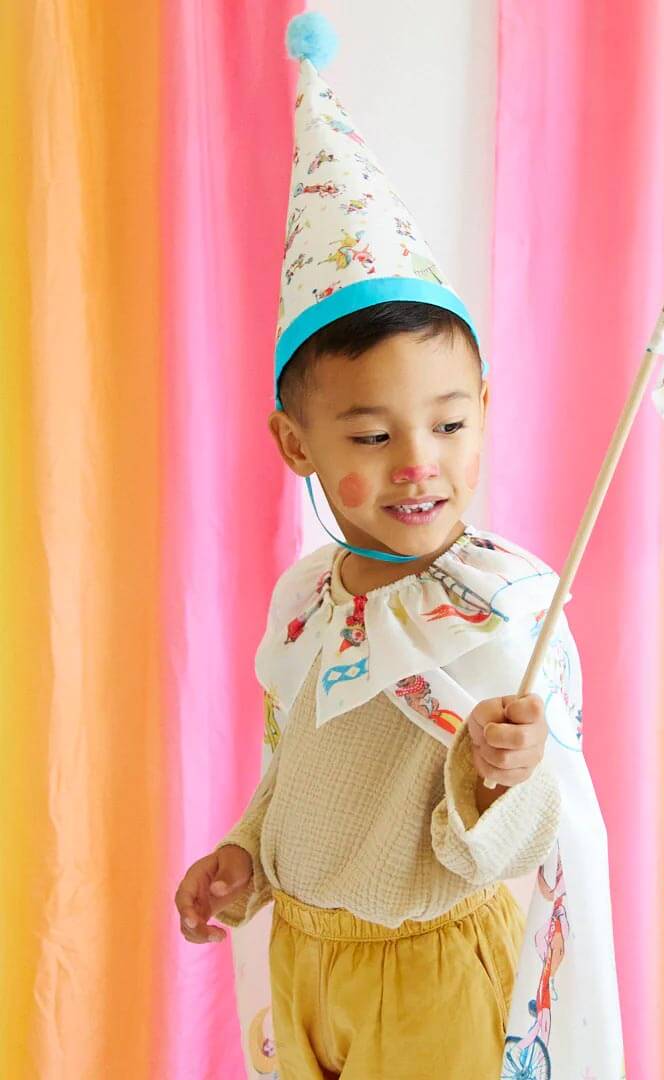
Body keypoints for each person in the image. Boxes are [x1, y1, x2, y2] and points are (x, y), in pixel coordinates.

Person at [174, 13, 625, 1079]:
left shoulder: (501, 608)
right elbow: (301, 760)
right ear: (297, 446)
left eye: (451, 424)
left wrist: (505, 773)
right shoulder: (306, 598)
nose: (419, 459)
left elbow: (530, 833)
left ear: (485, 410)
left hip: (433, 976)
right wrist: (249, 854)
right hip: (307, 962)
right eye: (373, 436)